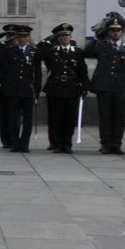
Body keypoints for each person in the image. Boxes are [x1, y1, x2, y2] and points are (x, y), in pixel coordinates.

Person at [84, 16, 125, 154]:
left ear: (123, 32)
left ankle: (116, 144)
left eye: (118, 30)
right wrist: (96, 38)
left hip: (120, 87)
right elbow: (87, 53)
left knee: (119, 118)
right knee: (105, 117)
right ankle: (106, 144)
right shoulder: (102, 45)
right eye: (112, 30)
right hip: (104, 86)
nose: (115, 33)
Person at [37, 23, 88, 153]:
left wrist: (85, 86)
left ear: (71, 36)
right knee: (56, 117)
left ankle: (67, 143)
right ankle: (58, 143)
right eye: (62, 35)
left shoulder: (77, 52)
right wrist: (48, 40)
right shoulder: (52, 51)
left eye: (67, 35)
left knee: (70, 118)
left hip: (71, 88)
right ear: (57, 38)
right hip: (56, 88)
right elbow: (38, 55)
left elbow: (83, 70)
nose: (65, 38)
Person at [0, 25, 41, 152]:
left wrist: (37, 90)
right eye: (20, 37)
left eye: (25, 36)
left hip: (28, 89)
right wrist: (6, 41)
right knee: (13, 118)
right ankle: (15, 143)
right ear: (17, 38)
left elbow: (37, 72)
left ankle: (24, 144)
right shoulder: (9, 50)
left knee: (27, 119)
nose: (22, 39)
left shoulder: (34, 51)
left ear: (28, 37)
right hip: (13, 89)